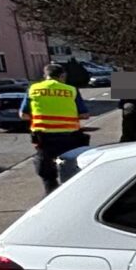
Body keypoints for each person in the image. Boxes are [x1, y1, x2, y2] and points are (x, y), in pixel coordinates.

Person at [25, 61, 88, 193]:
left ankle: (52, 196)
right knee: (72, 170)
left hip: (44, 138)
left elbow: (23, 114)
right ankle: (72, 195)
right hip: (69, 137)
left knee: (47, 174)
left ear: (45, 75)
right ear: (62, 75)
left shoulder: (33, 89)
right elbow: (84, 114)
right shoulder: (71, 90)